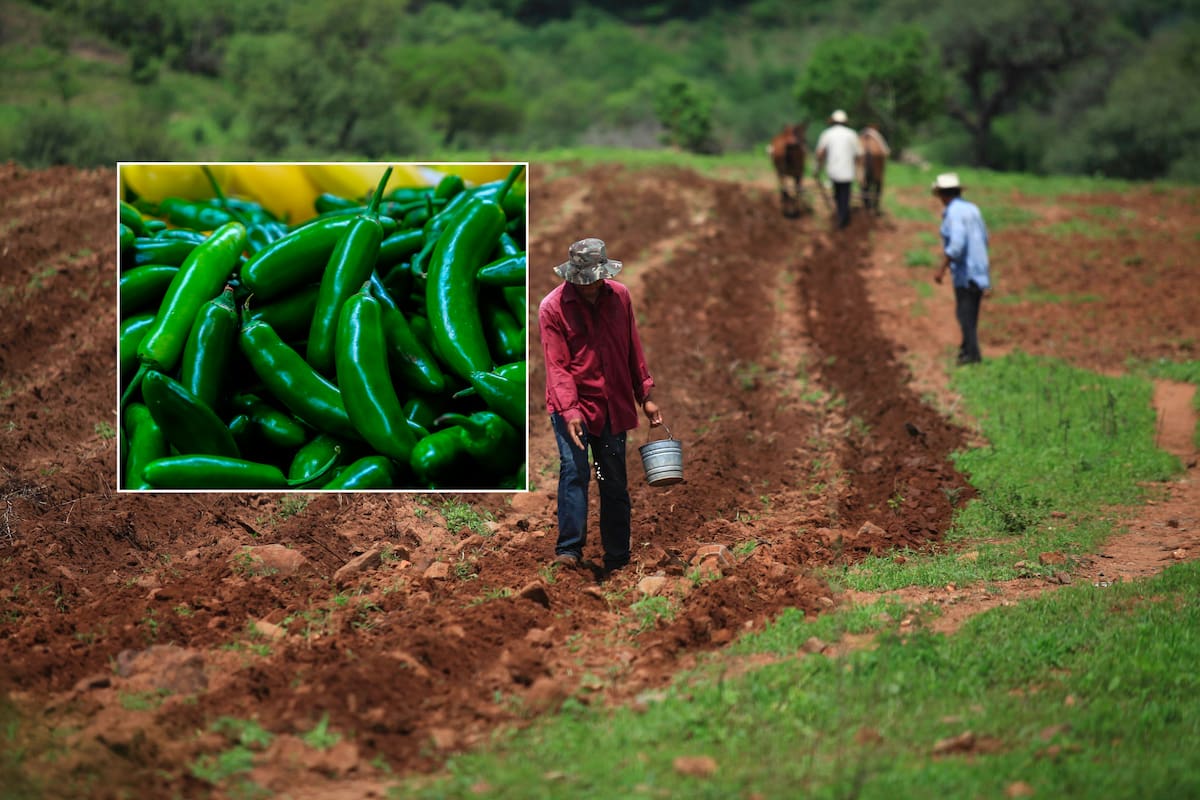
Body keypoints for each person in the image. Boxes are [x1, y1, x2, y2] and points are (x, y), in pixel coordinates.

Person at [538, 237, 664, 575]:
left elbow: (631, 348)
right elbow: (557, 366)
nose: (592, 285)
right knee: (576, 472)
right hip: (572, 408)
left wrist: (646, 397)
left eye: (596, 278)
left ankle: (617, 556)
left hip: (611, 406)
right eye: (585, 280)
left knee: (610, 478)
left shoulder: (619, 297)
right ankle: (569, 551)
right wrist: (571, 409)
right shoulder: (553, 307)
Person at [931, 173, 991, 365]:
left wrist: (942, 268)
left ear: (943, 195)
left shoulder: (953, 213)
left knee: (964, 314)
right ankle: (966, 351)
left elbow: (956, 244)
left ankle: (973, 355)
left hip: (966, 271)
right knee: (971, 313)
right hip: (980, 268)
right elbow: (985, 236)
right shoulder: (972, 209)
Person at [814, 109, 863, 230]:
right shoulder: (852, 134)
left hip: (833, 171)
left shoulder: (827, 133)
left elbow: (820, 153)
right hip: (847, 172)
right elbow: (859, 154)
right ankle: (843, 217)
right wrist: (860, 173)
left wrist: (817, 169)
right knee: (845, 195)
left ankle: (841, 217)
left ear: (833, 122)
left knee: (837, 194)